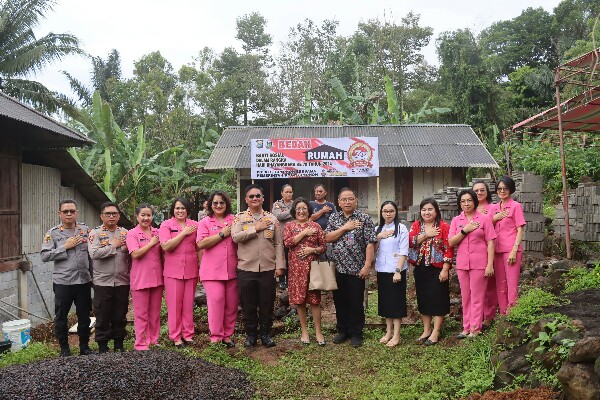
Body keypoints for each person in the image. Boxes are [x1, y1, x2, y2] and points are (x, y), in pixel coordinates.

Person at [232, 184, 286, 347]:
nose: (255, 198)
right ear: (246, 200)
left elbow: (278, 244)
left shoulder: (272, 219)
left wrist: (280, 265)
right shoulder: (239, 218)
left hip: (268, 269)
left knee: (266, 303)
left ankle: (265, 334)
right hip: (246, 268)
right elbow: (235, 237)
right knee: (248, 304)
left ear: (263, 198)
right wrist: (255, 228)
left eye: (258, 196)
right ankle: (251, 335)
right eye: (251, 196)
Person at [41, 199, 93, 357]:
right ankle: (65, 349)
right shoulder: (53, 233)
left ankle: (84, 347)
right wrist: (65, 246)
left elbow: (90, 255)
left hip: (83, 280)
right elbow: (44, 255)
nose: (69, 214)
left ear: (76, 213)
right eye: (65, 211)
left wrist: (93, 276)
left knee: (84, 315)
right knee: (61, 316)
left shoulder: (85, 230)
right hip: (63, 282)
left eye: (72, 211)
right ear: (60, 214)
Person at [325, 188, 377, 348]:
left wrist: (367, 265)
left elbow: (370, 243)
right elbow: (327, 237)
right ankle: (343, 330)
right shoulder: (334, 218)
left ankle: (356, 333)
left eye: (350, 199)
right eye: (344, 200)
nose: (347, 202)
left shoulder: (364, 218)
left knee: (356, 302)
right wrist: (345, 228)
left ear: (356, 201)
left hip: (357, 268)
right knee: (340, 301)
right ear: (339, 203)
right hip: (338, 267)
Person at [449, 190, 496, 339]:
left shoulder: (484, 219)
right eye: (463, 201)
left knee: (477, 297)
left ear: (475, 201)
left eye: (469, 200)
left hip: (479, 263)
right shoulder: (457, 220)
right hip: (462, 264)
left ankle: (475, 328)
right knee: (466, 297)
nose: (466, 203)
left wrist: (490, 265)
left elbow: (490, 242)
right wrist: (465, 230)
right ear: (459, 203)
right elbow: (450, 242)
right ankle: (466, 327)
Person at [408, 198, 453, 346]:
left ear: (436, 211)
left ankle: (436, 331)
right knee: (423, 298)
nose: (426, 212)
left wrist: (445, 269)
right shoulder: (416, 225)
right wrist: (426, 234)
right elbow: (411, 242)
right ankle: (426, 330)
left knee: (438, 298)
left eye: (430, 209)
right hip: (420, 267)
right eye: (424, 209)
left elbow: (449, 248)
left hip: (438, 268)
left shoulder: (444, 226)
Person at [196, 191, 238, 348]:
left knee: (232, 304)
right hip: (212, 271)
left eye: (221, 202)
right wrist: (222, 234)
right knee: (216, 302)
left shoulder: (234, 220)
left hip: (232, 270)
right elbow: (201, 244)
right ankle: (216, 336)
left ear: (226, 204)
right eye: (215, 203)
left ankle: (227, 335)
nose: (219, 205)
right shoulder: (205, 222)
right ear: (210, 205)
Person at [283, 197, 326, 346]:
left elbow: (323, 247)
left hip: (312, 268)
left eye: (304, 209)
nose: (301, 211)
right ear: (294, 211)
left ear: (309, 211)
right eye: (298, 209)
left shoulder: (316, 226)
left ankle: (318, 332)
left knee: (315, 301)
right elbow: (287, 243)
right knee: (300, 301)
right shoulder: (289, 226)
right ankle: (304, 332)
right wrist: (304, 233)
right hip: (296, 269)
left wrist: (312, 250)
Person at [88, 202, 130, 353]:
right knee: (103, 315)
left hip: (122, 281)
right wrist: (113, 245)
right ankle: (103, 347)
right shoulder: (95, 233)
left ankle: (119, 345)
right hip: (102, 282)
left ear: (119, 216)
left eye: (114, 214)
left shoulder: (125, 233)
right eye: (108, 214)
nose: (111, 216)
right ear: (101, 216)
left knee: (120, 314)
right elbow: (94, 254)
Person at [159, 197, 199, 348]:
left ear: (187, 210)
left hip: (191, 269)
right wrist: (183, 233)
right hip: (172, 271)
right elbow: (166, 246)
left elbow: (199, 247)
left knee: (188, 304)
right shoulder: (166, 225)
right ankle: (176, 336)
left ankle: (188, 334)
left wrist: (201, 267)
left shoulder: (195, 225)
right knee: (174, 305)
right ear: (173, 210)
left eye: (183, 208)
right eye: (177, 208)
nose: (180, 211)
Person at [126, 203, 163, 351]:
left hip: (157, 278)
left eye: (149, 215)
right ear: (137, 216)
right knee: (141, 313)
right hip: (140, 278)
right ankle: (140, 342)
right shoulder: (132, 233)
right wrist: (152, 243)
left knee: (155, 313)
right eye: (143, 215)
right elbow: (135, 254)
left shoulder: (157, 232)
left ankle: (153, 339)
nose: (146, 218)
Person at [374, 201, 409, 347]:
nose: (388, 214)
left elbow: (404, 251)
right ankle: (388, 331)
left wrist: (398, 271)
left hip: (396, 270)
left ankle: (396, 335)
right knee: (386, 302)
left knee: (396, 303)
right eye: (385, 211)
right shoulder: (377, 228)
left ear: (396, 213)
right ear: (381, 213)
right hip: (382, 269)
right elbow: (372, 248)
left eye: (391, 211)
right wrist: (378, 236)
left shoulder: (401, 228)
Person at [491, 176, 526, 315]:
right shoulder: (494, 207)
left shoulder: (515, 206)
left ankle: (513, 314)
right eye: (499, 188)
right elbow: (487, 226)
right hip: (497, 250)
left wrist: (514, 250)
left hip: (511, 249)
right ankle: (503, 314)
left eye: (505, 188)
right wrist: (495, 218)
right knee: (500, 284)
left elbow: (520, 229)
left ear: (510, 189)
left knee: (511, 284)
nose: (502, 191)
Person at [472, 180, 497, 329]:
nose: (479, 193)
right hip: (473, 253)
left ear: (487, 192)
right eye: (476, 190)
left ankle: (488, 315)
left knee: (489, 285)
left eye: (482, 190)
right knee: (474, 287)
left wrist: (490, 218)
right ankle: (476, 315)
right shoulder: (469, 208)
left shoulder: (493, 208)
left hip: (490, 248)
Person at [272, 184, 294, 289]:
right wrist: (292, 211)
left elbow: (300, 215)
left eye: (290, 192)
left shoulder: (296, 204)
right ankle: (282, 280)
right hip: (281, 236)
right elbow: (278, 216)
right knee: (282, 257)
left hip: (294, 236)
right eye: (286, 192)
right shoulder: (277, 204)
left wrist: (286, 212)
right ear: (282, 193)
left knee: (291, 259)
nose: (289, 194)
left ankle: (291, 280)